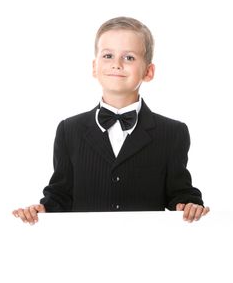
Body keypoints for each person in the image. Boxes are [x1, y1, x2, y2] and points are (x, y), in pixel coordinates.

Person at [12, 16, 210, 225]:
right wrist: (41, 210)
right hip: (83, 246)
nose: (116, 64)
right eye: (108, 55)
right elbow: (60, 196)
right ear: (94, 67)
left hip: (147, 245)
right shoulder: (69, 130)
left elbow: (179, 193)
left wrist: (188, 205)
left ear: (148, 71)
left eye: (129, 58)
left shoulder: (172, 132)